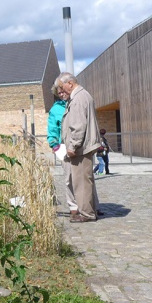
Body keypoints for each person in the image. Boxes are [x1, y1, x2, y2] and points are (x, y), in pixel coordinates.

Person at [57, 72, 102, 222]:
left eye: (62, 87)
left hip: (81, 148)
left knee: (81, 182)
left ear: (70, 83)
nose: (62, 91)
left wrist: (73, 146)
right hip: (85, 146)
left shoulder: (77, 99)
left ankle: (86, 214)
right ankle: (90, 210)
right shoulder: (84, 95)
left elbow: (78, 126)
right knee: (86, 180)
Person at [47, 85, 78, 216]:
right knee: (69, 177)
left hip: (80, 144)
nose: (61, 94)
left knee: (86, 177)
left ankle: (91, 204)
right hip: (64, 146)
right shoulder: (56, 109)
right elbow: (52, 127)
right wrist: (54, 144)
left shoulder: (77, 102)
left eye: (63, 91)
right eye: (58, 92)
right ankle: (73, 206)